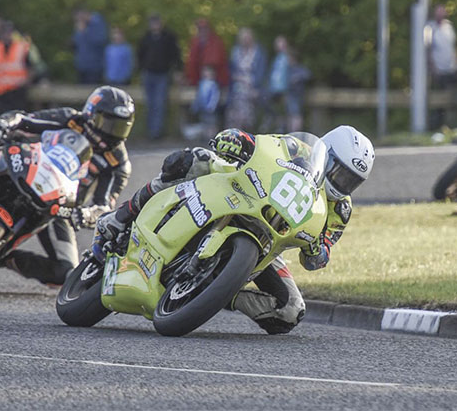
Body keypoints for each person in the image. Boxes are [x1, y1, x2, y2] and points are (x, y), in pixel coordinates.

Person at [94, 125, 375, 334]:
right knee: (193, 160)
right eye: (339, 171)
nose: (341, 183)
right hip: (242, 191)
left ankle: (220, 293)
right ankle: (122, 216)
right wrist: (239, 140)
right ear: (327, 155)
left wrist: (318, 251)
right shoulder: (298, 149)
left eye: (351, 180)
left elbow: (321, 253)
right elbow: (263, 146)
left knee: (290, 312)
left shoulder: (340, 210)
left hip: (268, 244)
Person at [0, 86, 136, 285]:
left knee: (66, 273)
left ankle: (0, 258)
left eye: (119, 128)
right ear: (90, 114)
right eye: (106, 123)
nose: (110, 133)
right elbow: (22, 120)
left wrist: (86, 215)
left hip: (57, 206)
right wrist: (3, 124)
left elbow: (105, 206)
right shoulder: (69, 119)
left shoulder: (117, 164)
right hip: (23, 168)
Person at [137, 14, 182, 139]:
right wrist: (141, 69)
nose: (155, 25)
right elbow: (140, 55)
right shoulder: (145, 38)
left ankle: (156, 133)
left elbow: (176, 55)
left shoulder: (169, 37)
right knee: (150, 103)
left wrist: (178, 70)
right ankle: (150, 131)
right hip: (148, 74)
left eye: (157, 22)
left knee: (159, 103)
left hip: (162, 74)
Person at [424, 4, 457, 129]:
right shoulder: (430, 27)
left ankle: (449, 125)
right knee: (437, 99)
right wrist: (433, 67)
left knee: (450, 98)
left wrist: (456, 63)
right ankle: (435, 125)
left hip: (450, 68)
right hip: (437, 69)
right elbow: (428, 49)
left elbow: (453, 46)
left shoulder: (449, 27)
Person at [0, 21, 33, 114]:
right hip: (0, 90)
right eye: (4, 32)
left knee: (18, 116)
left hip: (17, 88)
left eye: (8, 32)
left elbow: (30, 66)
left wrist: (28, 82)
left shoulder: (21, 47)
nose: (6, 35)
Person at [225, 28, 267, 130]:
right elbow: (231, 69)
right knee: (234, 102)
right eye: (243, 38)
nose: (245, 40)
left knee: (246, 98)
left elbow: (261, 72)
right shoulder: (235, 51)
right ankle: (235, 131)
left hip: (252, 85)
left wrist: (255, 86)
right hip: (236, 85)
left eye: (247, 38)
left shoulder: (258, 52)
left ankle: (245, 129)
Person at [185, 18, 230, 88]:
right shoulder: (195, 41)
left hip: (214, 78)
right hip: (198, 77)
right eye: (200, 28)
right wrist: (189, 77)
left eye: (204, 28)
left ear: (208, 29)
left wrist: (207, 70)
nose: (202, 30)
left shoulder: (216, 41)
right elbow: (191, 60)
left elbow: (216, 60)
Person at [259, 35, 290, 133]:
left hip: (284, 90)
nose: (278, 45)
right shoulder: (277, 58)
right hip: (274, 89)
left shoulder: (288, 57)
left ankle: (282, 130)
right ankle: (274, 128)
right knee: (272, 109)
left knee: (282, 111)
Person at [72, 8, 108, 84]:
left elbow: (99, 41)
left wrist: (85, 32)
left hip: (94, 66)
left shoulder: (98, 24)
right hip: (82, 66)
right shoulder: (82, 27)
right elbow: (76, 44)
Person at [187, 65, 221, 139]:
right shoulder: (201, 84)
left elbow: (215, 97)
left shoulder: (213, 84)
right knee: (204, 122)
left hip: (210, 109)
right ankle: (205, 136)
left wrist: (212, 106)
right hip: (202, 108)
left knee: (211, 123)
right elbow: (198, 96)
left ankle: (212, 137)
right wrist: (195, 106)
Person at [285, 49, 311, 133]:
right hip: (289, 95)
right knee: (290, 116)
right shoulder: (287, 69)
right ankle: (291, 133)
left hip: (296, 96)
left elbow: (307, 75)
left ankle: (295, 133)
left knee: (296, 115)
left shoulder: (298, 68)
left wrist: (297, 78)